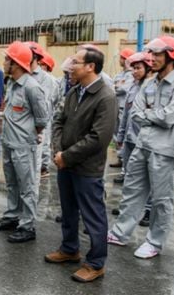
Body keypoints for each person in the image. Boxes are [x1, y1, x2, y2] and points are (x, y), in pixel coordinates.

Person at [45, 45, 116, 283]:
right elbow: (58, 121)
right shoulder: (75, 91)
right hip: (66, 164)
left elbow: (98, 139)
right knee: (68, 211)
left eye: (75, 62)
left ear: (90, 67)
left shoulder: (105, 97)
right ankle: (69, 249)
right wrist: (58, 150)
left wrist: (67, 156)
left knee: (93, 216)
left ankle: (96, 263)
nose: (70, 66)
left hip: (87, 168)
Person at [108, 36, 174, 259]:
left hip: (165, 150)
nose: (153, 58)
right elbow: (135, 114)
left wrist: (150, 115)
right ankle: (120, 233)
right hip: (142, 145)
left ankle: (154, 242)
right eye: (152, 54)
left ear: (172, 57)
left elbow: (170, 116)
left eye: (158, 54)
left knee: (161, 199)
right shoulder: (149, 83)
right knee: (132, 191)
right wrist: (153, 115)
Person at [0, 41, 48, 243]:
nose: (4, 62)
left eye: (7, 59)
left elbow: (42, 119)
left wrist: (28, 135)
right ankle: (13, 215)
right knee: (12, 183)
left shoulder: (32, 87)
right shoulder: (12, 84)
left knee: (27, 185)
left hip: (23, 145)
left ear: (15, 63)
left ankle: (28, 225)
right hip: (9, 142)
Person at [112, 52, 153, 224]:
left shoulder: (152, 89)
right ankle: (126, 208)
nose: (135, 71)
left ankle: (149, 210)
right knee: (129, 176)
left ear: (148, 69)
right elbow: (126, 116)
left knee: (149, 178)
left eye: (138, 68)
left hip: (144, 141)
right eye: (133, 68)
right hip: (130, 139)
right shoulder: (132, 88)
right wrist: (120, 136)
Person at [24, 42, 58, 180]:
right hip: (21, 130)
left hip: (36, 129)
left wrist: (38, 129)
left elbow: (46, 106)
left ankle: (43, 167)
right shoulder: (21, 75)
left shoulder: (46, 79)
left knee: (33, 171)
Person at [111, 48, 135, 168]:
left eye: (122, 58)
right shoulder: (120, 74)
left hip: (123, 107)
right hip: (116, 106)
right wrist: (116, 86)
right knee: (116, 134)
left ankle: (125, 159)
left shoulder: (131, 74)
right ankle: (120, 157)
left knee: (124, 133)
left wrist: (116, 86)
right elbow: (113, 87)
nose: (120, 60)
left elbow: (123, 89)